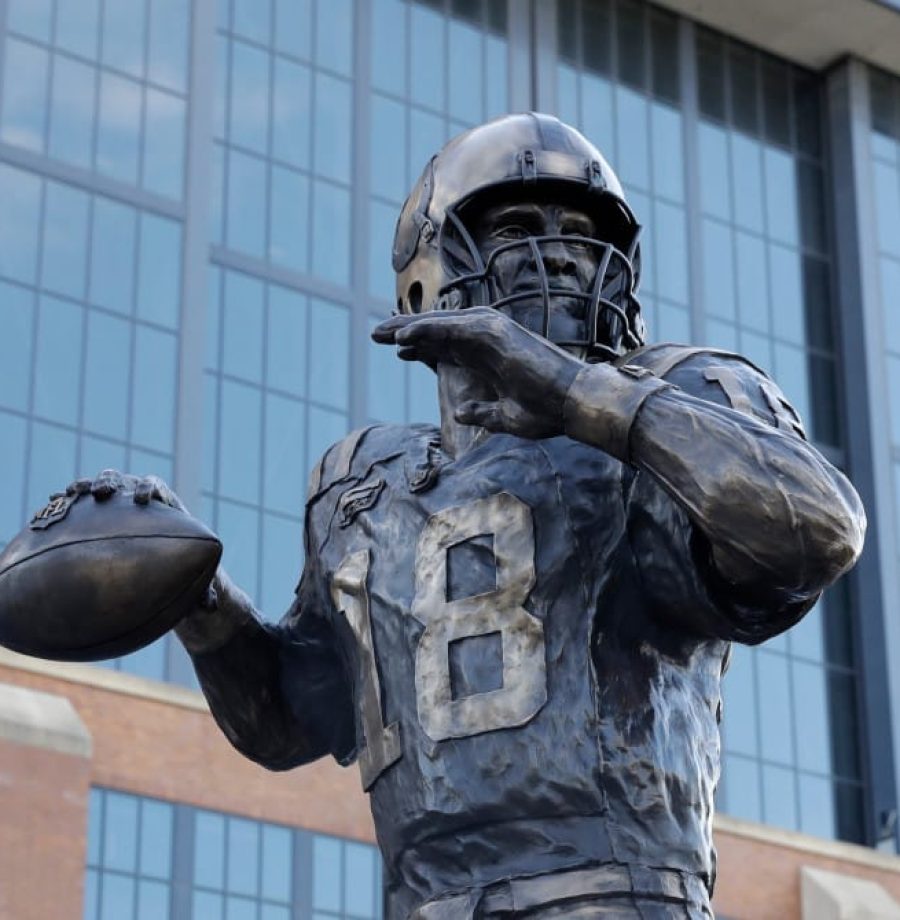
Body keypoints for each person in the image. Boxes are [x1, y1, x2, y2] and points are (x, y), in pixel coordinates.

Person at [93, 114, 865, 918]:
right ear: (432, 266)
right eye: (519, 226)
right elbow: (292, 716)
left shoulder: (679, 400)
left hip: (614, 894)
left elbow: (814, 528)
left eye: (582, 230)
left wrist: (585, 400)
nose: (562, 250)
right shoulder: (360, 481)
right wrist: (203, 601)